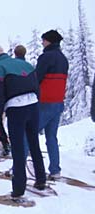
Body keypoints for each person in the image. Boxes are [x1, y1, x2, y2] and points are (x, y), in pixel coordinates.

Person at [0, 45, 46, 199]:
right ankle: (40, 180)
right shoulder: (25, 64)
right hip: (33, 105)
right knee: (34, 143)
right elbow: (36, 87)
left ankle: (18, 189)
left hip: (16, 108)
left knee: (18, 148)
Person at [36, 30, 69, 179]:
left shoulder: (45, 57)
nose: (42, 43)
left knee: (28, 134)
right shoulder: (63, 59)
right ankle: (55, 170)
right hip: (58, 103)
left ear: (49, 41)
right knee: (51, 138)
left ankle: (18, 168)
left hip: (44, 102)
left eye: (43, 40)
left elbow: (36, 78)